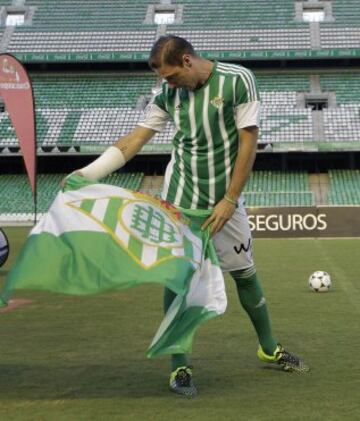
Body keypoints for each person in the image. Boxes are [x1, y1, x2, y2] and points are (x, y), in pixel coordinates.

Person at [67, 35, 309, 397]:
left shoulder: (237, 80)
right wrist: (88, 174)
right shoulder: (168, 96)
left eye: (170, 77)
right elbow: (136, 140)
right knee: (178, 279)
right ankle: (179, 364)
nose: (167, 84)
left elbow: (248, 141)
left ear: (187, 61)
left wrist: (230, 198)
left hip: (225, 201)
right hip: (180, 200)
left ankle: (268, 346)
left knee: (244, 274)